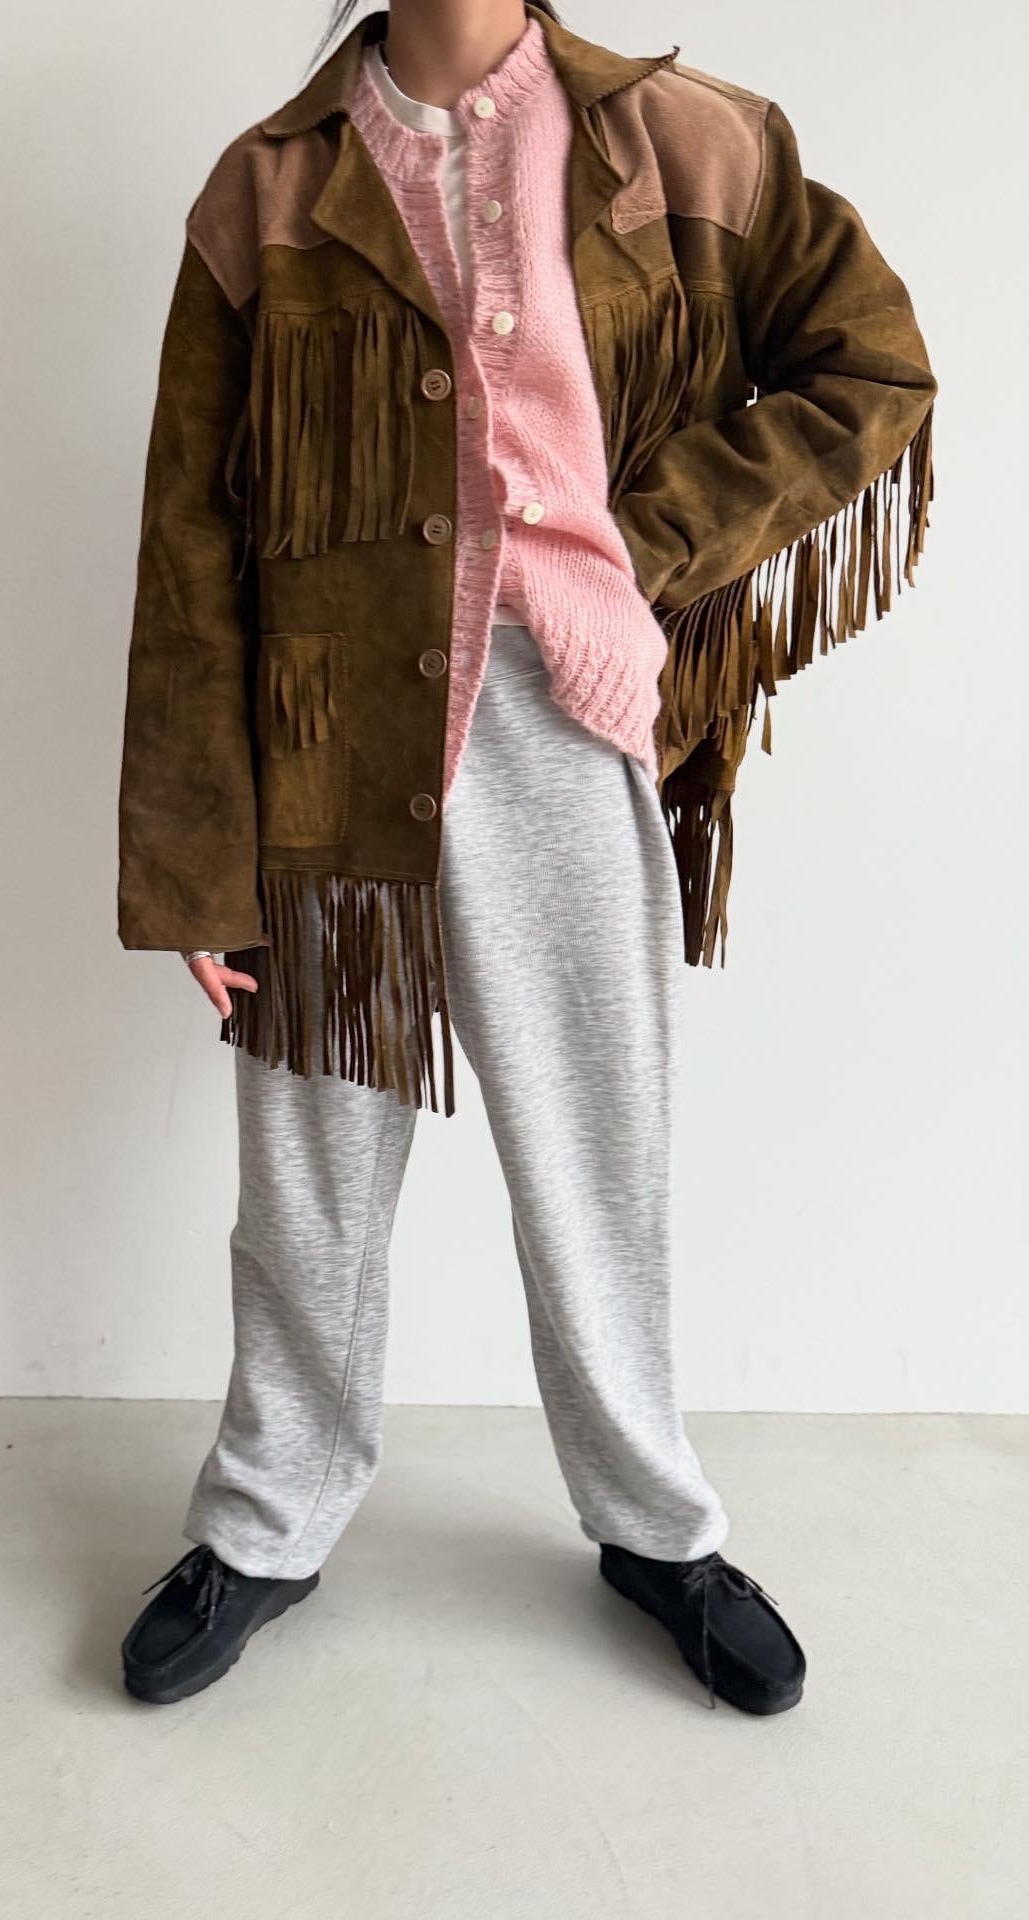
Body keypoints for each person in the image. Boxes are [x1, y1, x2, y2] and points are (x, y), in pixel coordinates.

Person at [113, 1, 935, 1712]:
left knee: (594, 1155)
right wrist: (197, 857)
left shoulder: (688, 143)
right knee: (306, 1178)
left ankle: (654, 1527)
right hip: (328, 737)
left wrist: (646, 545)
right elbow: (191, 538)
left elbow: (870, 370)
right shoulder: (268, 189)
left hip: (561, 716)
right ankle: (266, 1523)